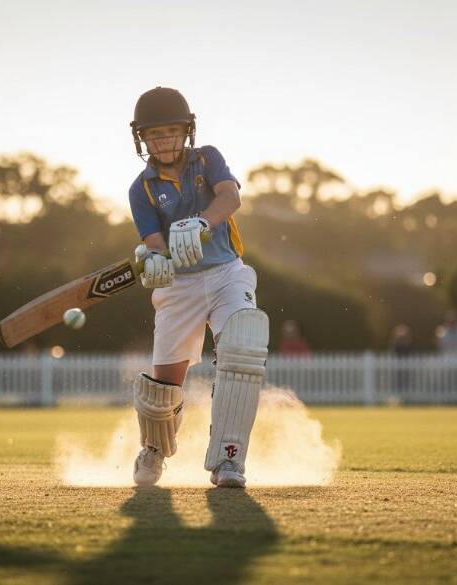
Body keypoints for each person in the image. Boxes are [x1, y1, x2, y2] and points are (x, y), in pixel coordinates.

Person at [127, 87, 267, 488]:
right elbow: (154, 243)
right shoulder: (142, 188)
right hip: (180, 287)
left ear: (186, 130)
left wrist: (204, 222)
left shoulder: (207, 158)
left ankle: (229, 460)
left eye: (171, 131)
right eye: (155, 134)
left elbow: (231, 196)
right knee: (162, 390)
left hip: (227, 272)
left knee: (242, 346)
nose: (163, 141)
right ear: (142, 139)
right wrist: (153, 259)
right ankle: (154, 449)